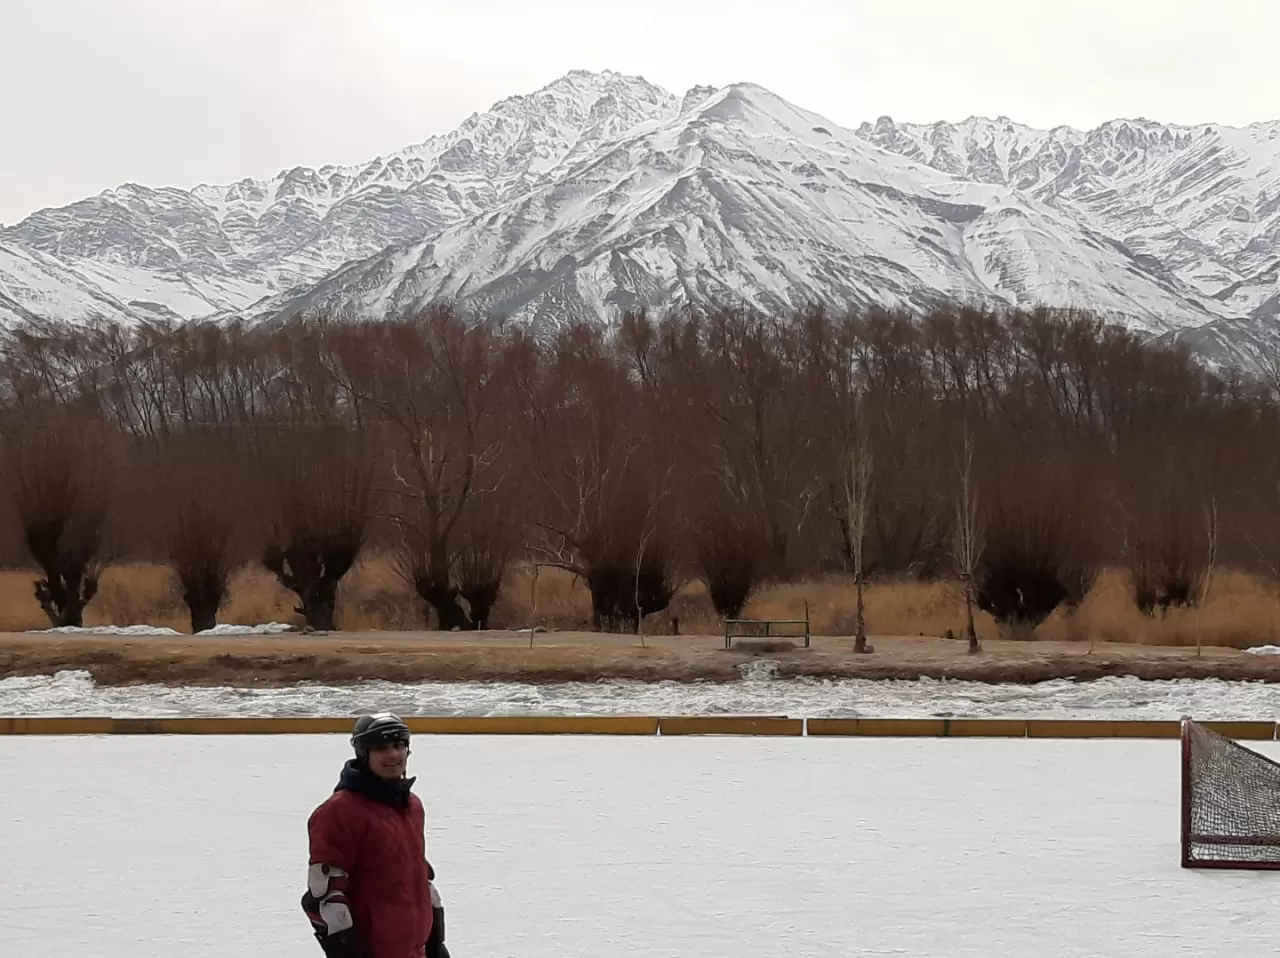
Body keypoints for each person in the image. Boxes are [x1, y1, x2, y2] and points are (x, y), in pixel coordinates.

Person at [301, 712, 450, 958]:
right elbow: (326, 895)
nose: (393, 755)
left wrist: (435, 942)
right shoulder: (339, 812)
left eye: (399, 745)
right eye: (381, 748)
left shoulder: (411, 806)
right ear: (363, 754)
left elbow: (419, 879)